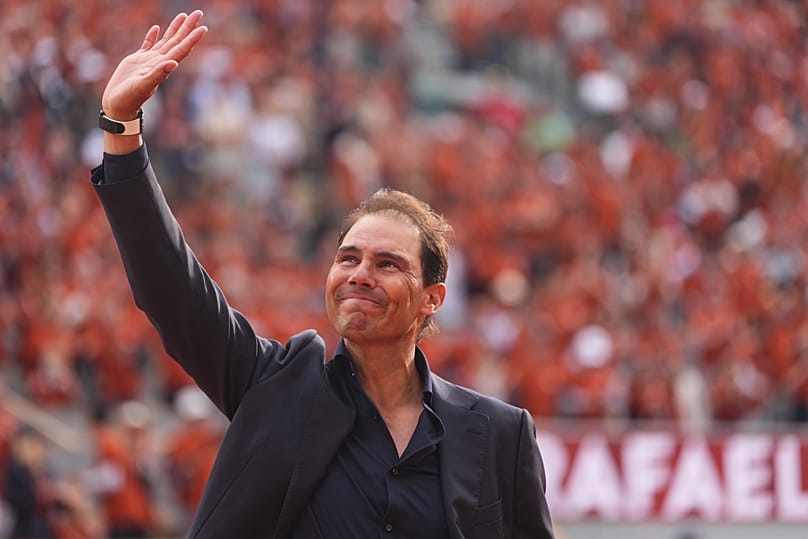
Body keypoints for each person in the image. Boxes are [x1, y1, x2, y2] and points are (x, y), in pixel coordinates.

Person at [90, 10, 554, 539]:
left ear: (433, 298)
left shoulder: (499, 434)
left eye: (387, 264)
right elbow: (172, 290)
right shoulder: (277, 387)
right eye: (348, 258)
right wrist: (121, 131)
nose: (359, 274)